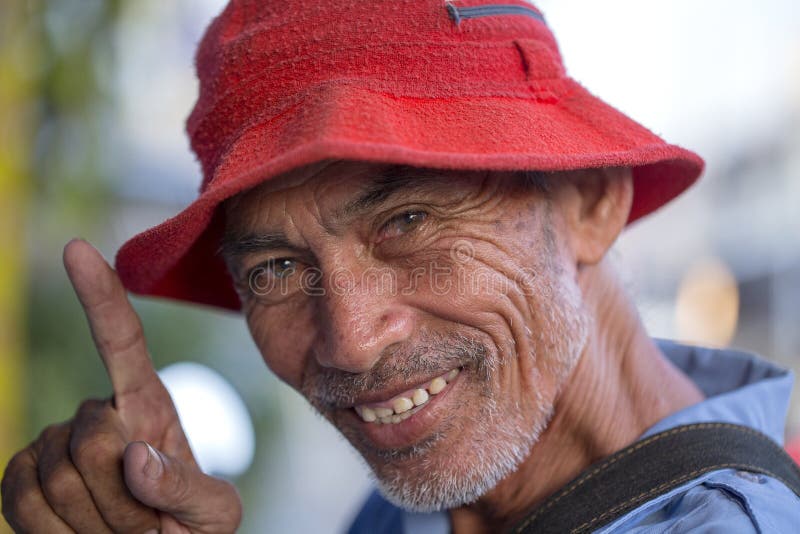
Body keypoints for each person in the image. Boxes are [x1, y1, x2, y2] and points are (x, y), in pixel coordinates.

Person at [2, 1, 799, 532]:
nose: (350, 340)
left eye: (409, 220)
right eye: (276, 269)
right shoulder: (435, 499)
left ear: (589, 201)